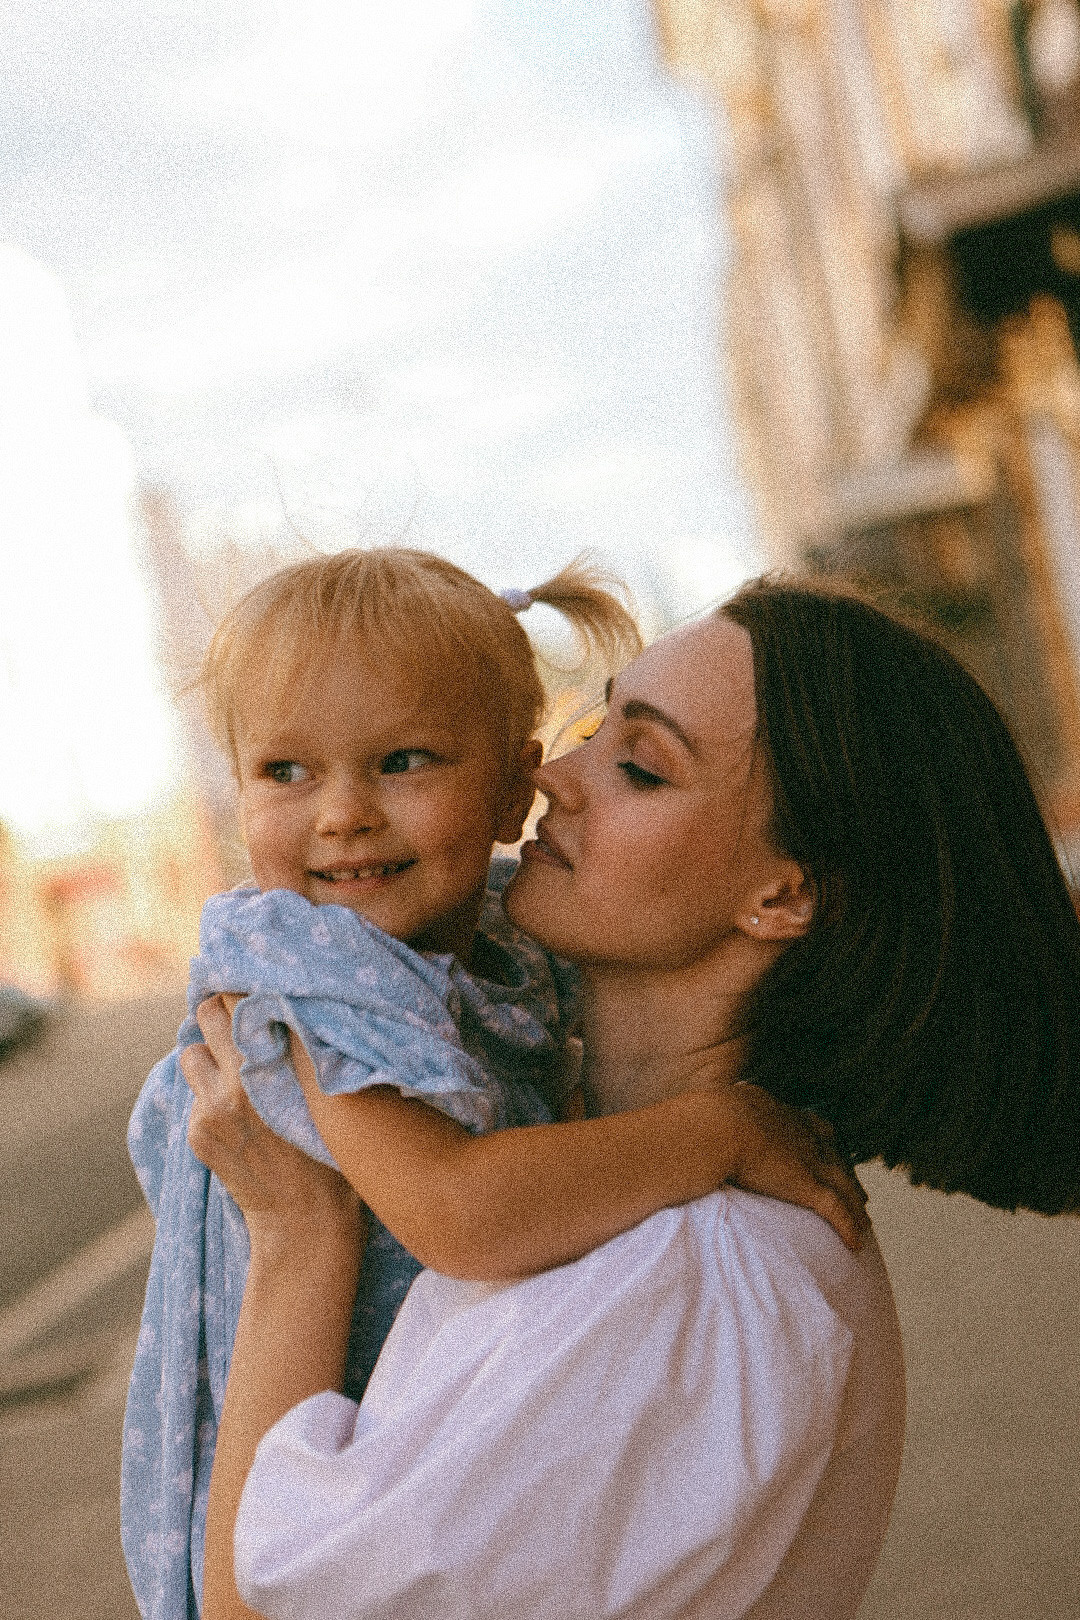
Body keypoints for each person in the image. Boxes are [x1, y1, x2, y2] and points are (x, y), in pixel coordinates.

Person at [183, 575, 1080, 1620]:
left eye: (642, 767)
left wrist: (299, 1232)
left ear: (781, 895)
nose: (556, 776)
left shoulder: (703, 1271)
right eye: (595, 728)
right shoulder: (576, 1162)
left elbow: (260, 1607)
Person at [122, 550, 866, 1620]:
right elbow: (461, 1213)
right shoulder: (316, 970)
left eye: (403, 761)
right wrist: (720, 1128)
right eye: (284, 773)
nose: (341, 815)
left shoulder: (505, 946)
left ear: (515, 783)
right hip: (281, 1463)